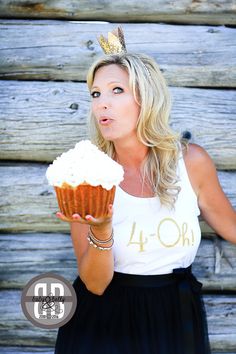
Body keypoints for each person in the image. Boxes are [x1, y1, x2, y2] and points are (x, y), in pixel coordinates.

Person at [54, 28, 236, 354]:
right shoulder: (87, 173)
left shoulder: (191, 162)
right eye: (95, 94)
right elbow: (95, 283)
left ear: (146, 97)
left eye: (116, 90)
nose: (101, 104)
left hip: (176, 318)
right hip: (105, 323)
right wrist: (102, 229)